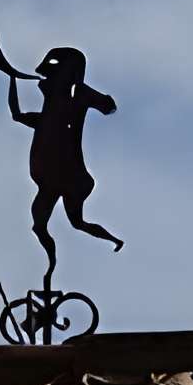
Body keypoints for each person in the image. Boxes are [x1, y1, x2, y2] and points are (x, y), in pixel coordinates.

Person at [8, 46, 123, 262]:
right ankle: (51, 266)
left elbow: (108, 106)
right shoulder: (48, 116)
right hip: (51, 179)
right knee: (42, 226)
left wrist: (90, 97)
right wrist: (11, 78)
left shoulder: (78, 94)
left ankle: (114, 241)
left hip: (71, 177)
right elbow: (17, 115)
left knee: (76, 222)